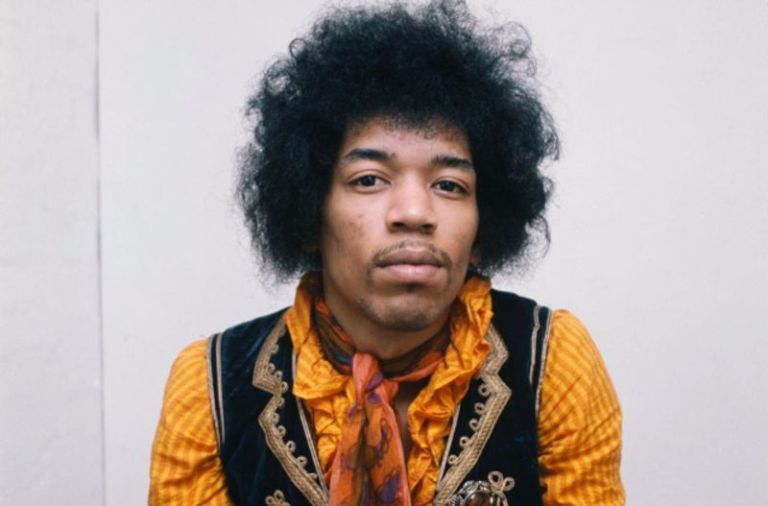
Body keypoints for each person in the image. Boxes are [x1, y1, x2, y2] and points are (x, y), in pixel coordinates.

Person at [149, 1, 624, 504]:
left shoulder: (553, 364)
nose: (414, 212)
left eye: (449, 184)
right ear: (309, 213)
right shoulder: (209, 389)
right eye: (369, 180)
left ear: (484, 225)